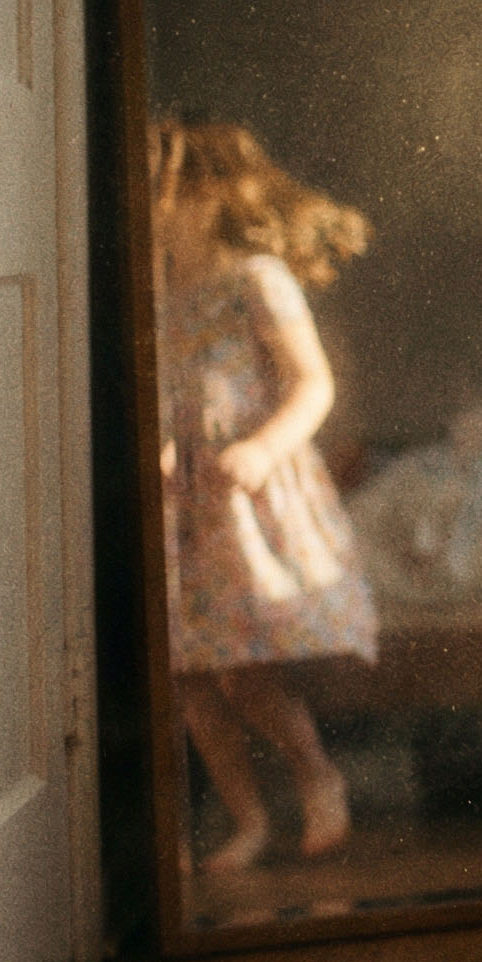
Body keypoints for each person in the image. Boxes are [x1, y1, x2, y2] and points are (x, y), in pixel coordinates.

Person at [152, 119, 378, 874]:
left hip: (245, 495)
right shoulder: (157, 284)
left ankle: (318, 775)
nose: (156, 203)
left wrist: (262, 446)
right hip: (179, 501)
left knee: (243, 672)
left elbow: (313, 382)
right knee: (187, 678)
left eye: (172, 189)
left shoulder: (253, 277)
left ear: (210, 192)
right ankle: (246, 819)